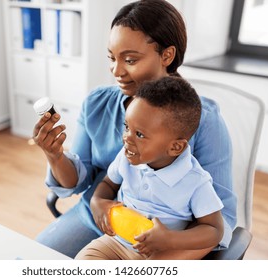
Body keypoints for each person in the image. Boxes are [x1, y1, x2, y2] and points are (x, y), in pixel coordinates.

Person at [33, 0, 236, 259]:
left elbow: (222, 221)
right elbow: (79, 182)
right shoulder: (97, 103)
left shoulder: (204, 121)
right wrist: (55, 155)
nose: (116, 71)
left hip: (161, 240)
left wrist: (161, 256)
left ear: (167, 55)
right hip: (98, 219)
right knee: (34, 261)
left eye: (130, 59)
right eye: (111, 58)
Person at [75, 76, 224, 260]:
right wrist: (97, 201)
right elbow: (108, 183)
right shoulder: (126, 156)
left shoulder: (195, 181)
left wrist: (171, 239)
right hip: (116, 243)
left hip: (161, 253)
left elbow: (214, 230)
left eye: (139, 134)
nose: (127, 138)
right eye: (126, 127)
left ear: (175, 147)